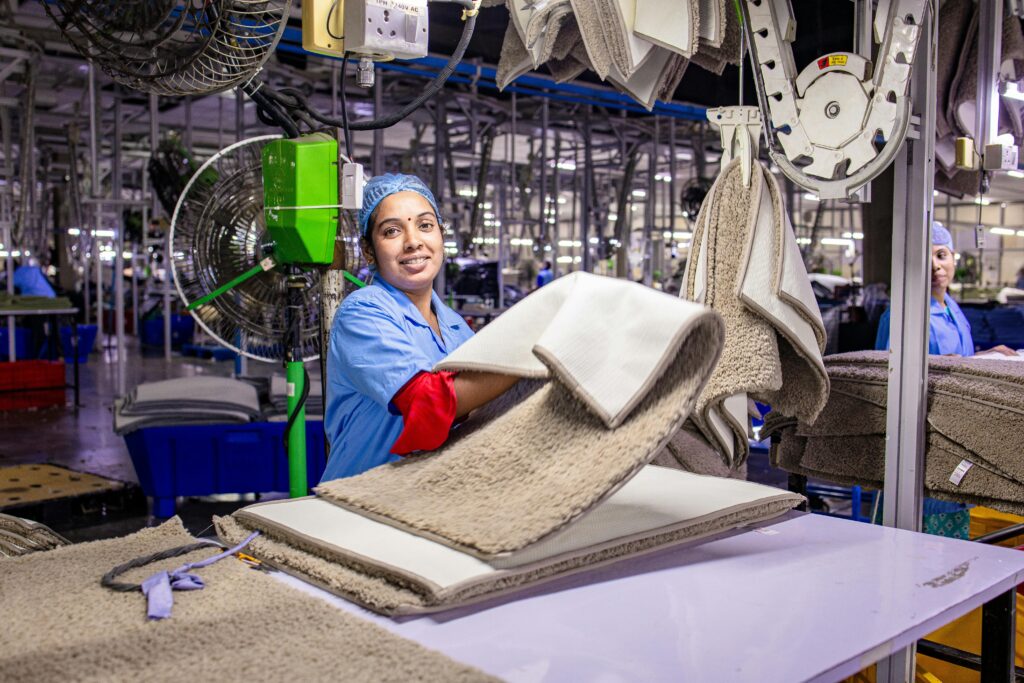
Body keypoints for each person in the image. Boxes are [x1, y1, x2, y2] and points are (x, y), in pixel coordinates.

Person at [321, 174, 520, 482]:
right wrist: (526, 354)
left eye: (425, 225)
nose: (413, 241)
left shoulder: (454, 326)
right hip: (360, 500)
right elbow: (428, 402)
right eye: (391, 231)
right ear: (369, 251)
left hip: (426, 498)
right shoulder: (362, 313)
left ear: (441, 236)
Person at [875, 222, 1016, 356]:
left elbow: (959, 359)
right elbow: (890, 371)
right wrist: (939, 365)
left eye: (941, 255)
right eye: (923, 258)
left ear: (953, 258)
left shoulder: (950, 308)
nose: (935, 265)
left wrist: (984, 357)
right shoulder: (903, 316)